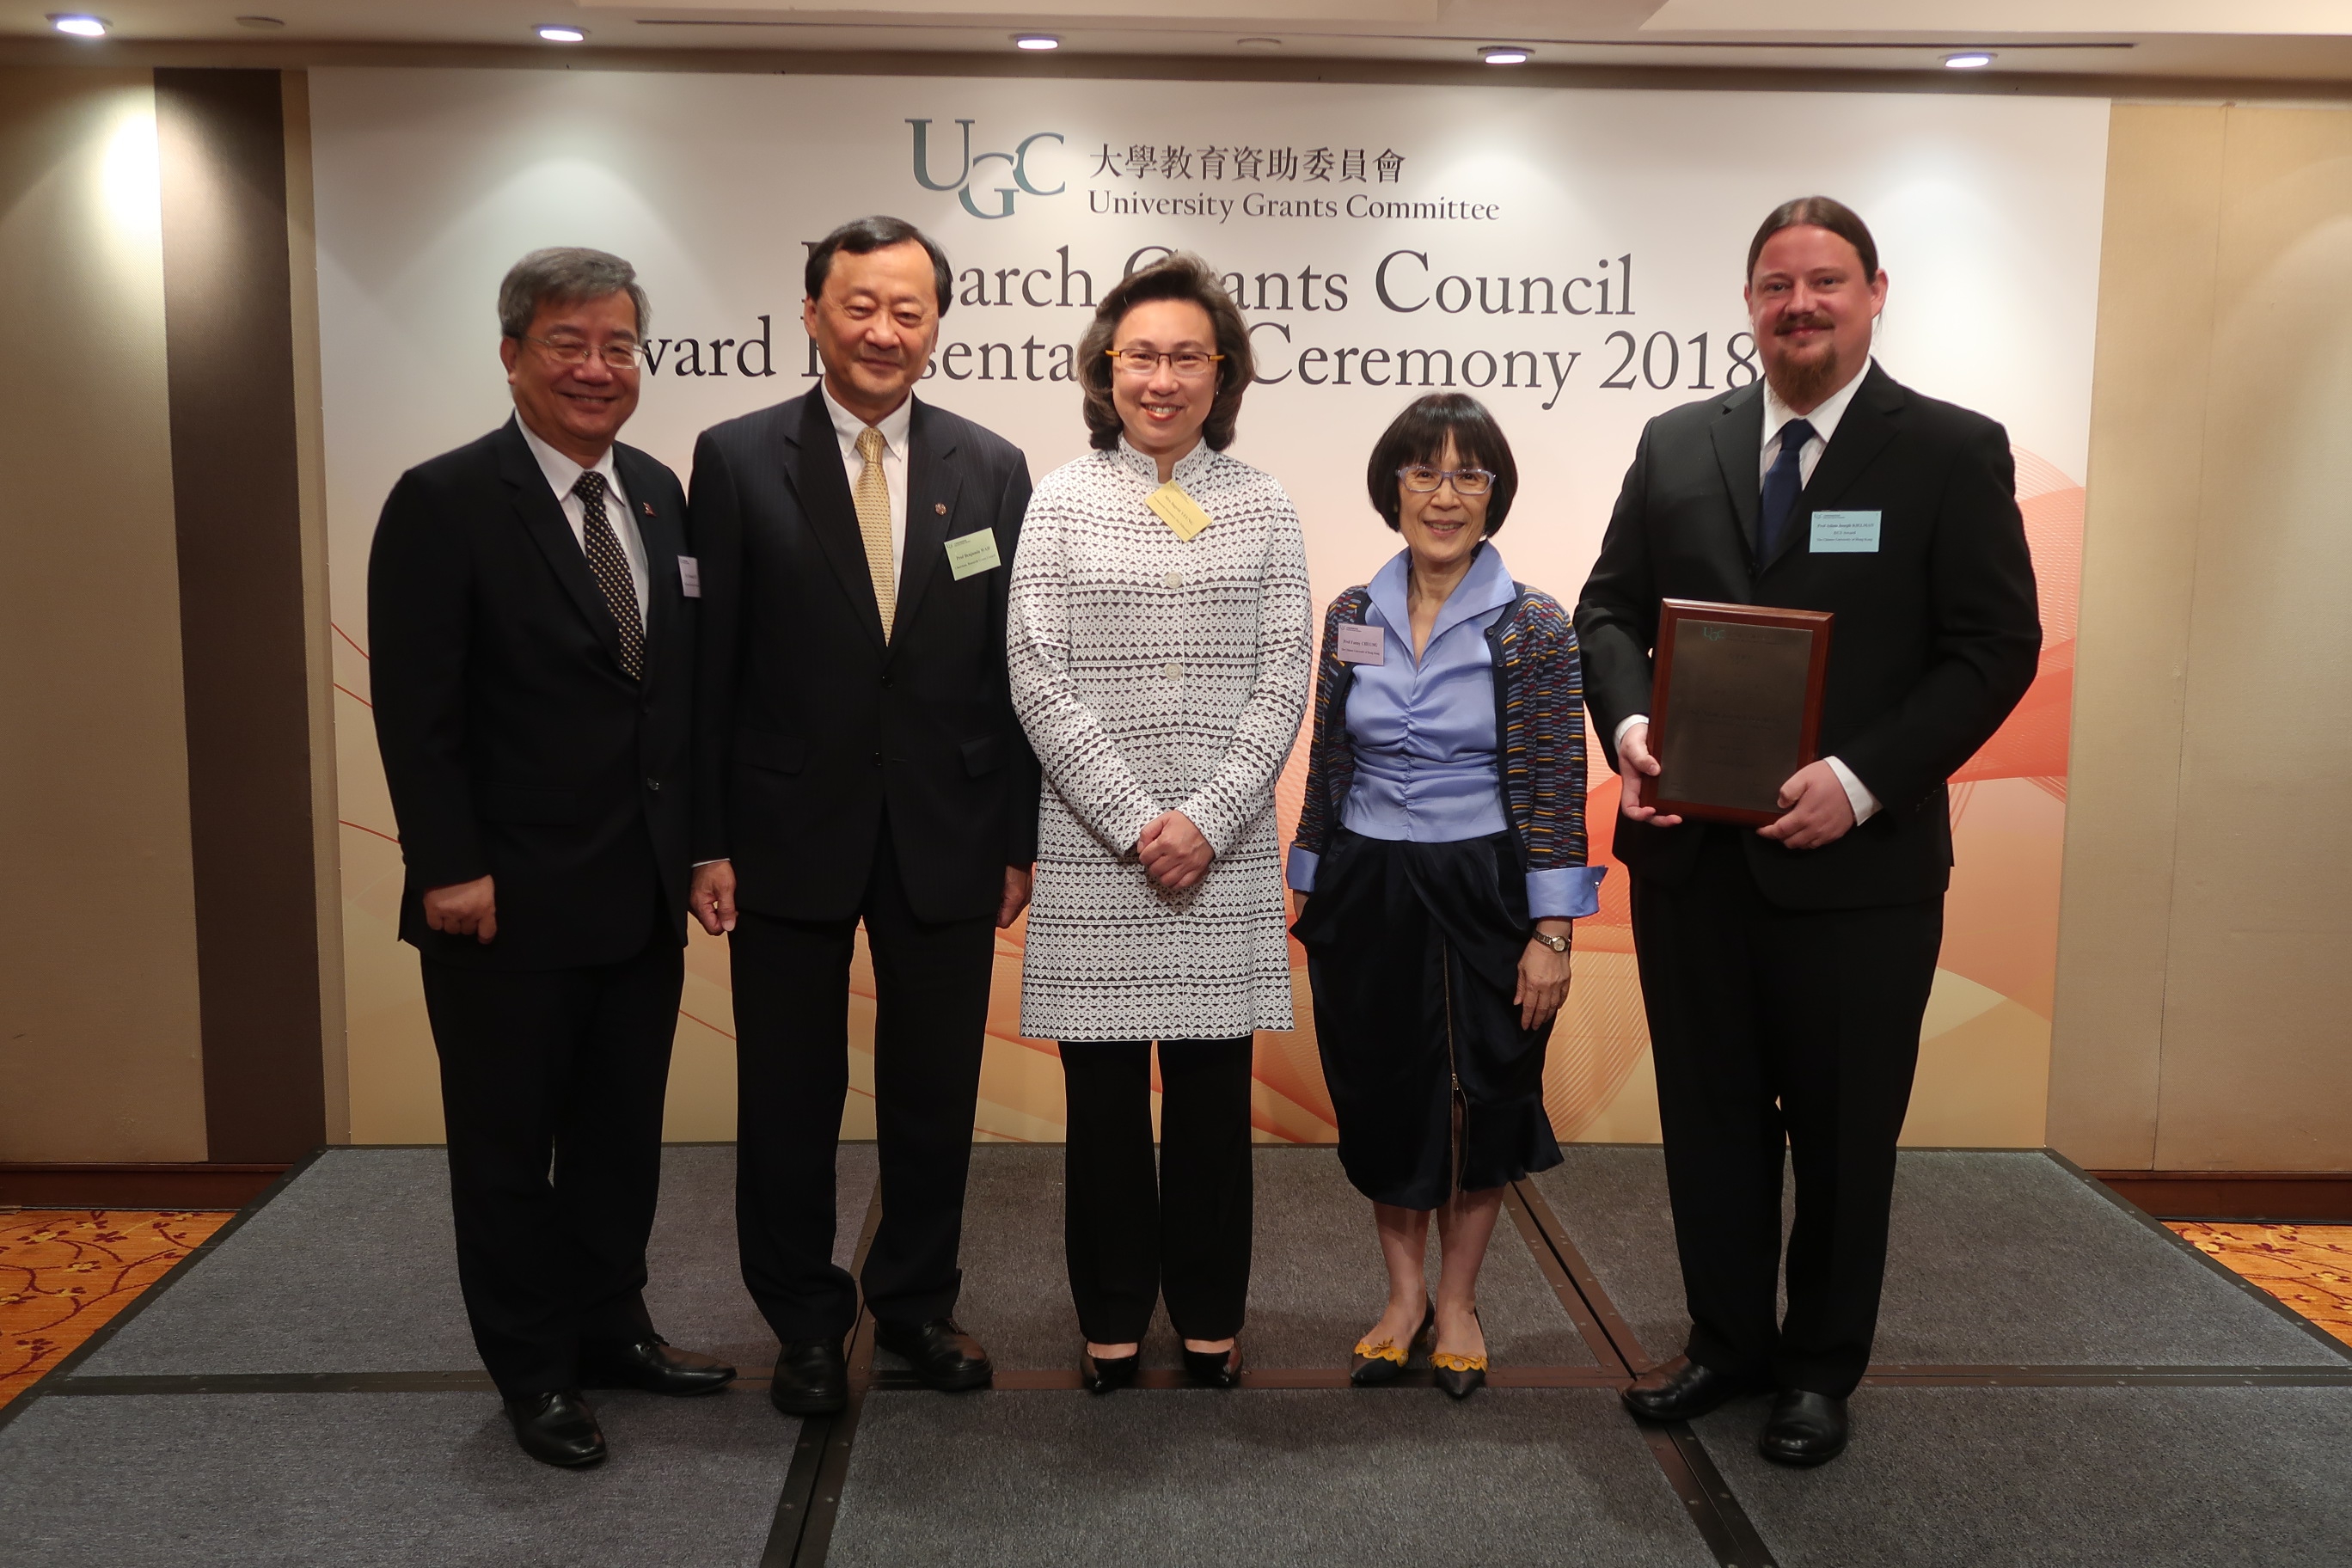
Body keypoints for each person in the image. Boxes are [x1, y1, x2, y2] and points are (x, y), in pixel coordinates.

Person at [1576, 197, 2041, 1465]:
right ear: (1748, 304)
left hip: (1860, 872)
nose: (1800, 306)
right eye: (1777, 285)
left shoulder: (1950, 450)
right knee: (1713, 1120)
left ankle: (1821, 1368)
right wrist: (1626, 731)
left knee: (1842, 1134)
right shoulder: (1678, 442)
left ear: (1875, 292)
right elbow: (1608, 613)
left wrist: (1864, 777)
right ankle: (1727, 1343)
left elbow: (1993, 649)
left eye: (1825, 282)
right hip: (1693, 861)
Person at [367, 248, 734, 1469]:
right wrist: (447, 865)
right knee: (508, 1147)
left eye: (618, 345)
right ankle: (532, 1369)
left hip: (637, 893)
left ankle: (610, 1328)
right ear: (514, 352)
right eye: (570, 343)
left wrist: (701, 850)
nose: (596, 368)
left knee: (622, 1138)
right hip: (505, 903)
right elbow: (418, 710)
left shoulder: (660, 492)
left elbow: (673, 699)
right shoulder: (446, 498)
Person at [686, 217, 1039, 1418]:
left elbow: (1011, 665)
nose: (885, 331)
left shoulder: (990, 467)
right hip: (785, 827)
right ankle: (799, 1321)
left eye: (909, 311)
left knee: (934, 1093)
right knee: (789, 1094)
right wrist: (707, 835)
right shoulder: (734, 459)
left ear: (936, 325)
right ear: (811, 316)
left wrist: (1017, 836)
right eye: (860, 307)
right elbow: (709, 665)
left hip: (949, 826)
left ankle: (917, 1309)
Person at [1007, 254, 1313, 1393]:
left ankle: (1211, 1315)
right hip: (1101, 857)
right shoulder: (1060, 497)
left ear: (1221, 372)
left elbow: (1283, 675)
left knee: (1209, 1106)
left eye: (1189, 356)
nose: (1163, 377)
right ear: (1106, 368)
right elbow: (1035, 670)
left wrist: (1212, 814)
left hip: (1221, 858)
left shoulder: (1264, 502)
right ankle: (1111, 1316)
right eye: (1142, 355)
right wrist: (1141, 820)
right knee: (1101, 1112)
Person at [1289, 394, 1603, 1400]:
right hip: (1370, 884)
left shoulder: (1535, 626)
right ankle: (1402, 1297)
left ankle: (1461, 1301)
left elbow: (1556, 781)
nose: (1445, 494)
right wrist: (1310, 883)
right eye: (1424, 471)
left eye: (1470, 474)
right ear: (1393, 487)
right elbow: (1330, 763)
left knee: (1482, 1099)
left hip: (1487, 887)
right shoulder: (1351, 615)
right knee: (1383, 1091)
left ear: (1496, 494)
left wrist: (1552, 930)